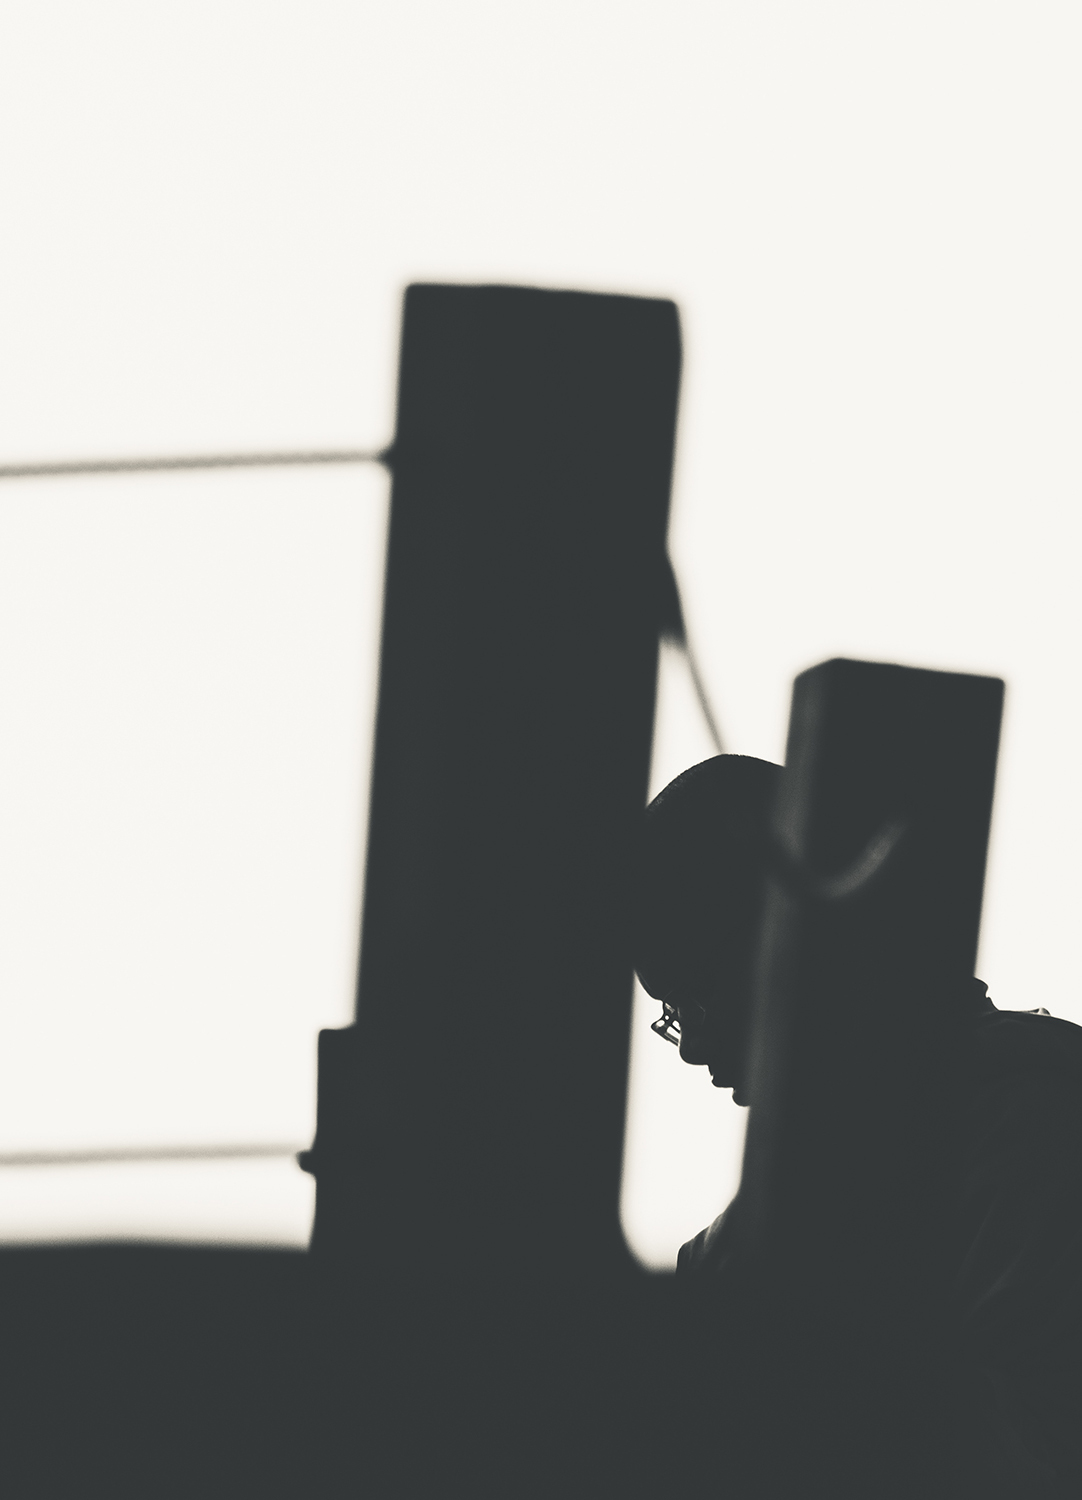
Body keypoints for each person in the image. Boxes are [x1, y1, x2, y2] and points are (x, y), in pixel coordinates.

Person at [634, 753, 1082, 1495]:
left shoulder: (1029, 1122)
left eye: (702, 1001)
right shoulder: (730, 1246)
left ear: (796, 950)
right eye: (672, 1014)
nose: (692, 1047)